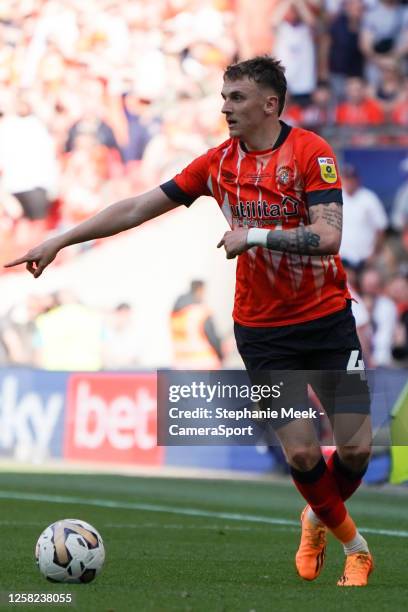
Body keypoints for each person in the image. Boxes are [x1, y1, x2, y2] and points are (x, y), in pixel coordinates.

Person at [5, 56, 373, 587]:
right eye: (224, 97)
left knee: (359, 448)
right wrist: (60, 239)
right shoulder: (218, 164)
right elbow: (136, 207)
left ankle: (317, 515)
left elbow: (330, 237)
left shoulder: (312, 153)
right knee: (300, 449)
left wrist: (255, 236)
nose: (225, 107)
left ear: (270, 104)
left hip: (327, 320)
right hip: (263, 329)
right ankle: (354, 546)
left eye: (237, 98)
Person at [170, 280, 223, 369]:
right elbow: (212, 338)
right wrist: (221, 355)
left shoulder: (175, 314)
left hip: (181, 365)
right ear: (200, 290)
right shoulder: (201, 312)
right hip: (204, 364)